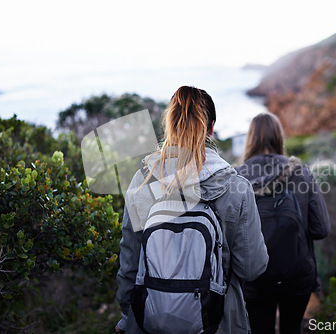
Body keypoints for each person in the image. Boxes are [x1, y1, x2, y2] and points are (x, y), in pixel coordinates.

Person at [115, 86, 268, 333]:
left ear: (170, 125)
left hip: (149, 320)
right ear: (212, 127)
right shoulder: (236, 187)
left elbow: (129, 265)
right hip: (219, 321)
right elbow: (252, 268)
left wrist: (127, 315)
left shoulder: (142, 182)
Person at [236, 112, 330, 334]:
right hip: (297, 275)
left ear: (251, 139)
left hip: (255, 278)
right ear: (279, 137)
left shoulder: (237, 177)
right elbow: (321, 229)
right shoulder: (300, 171)